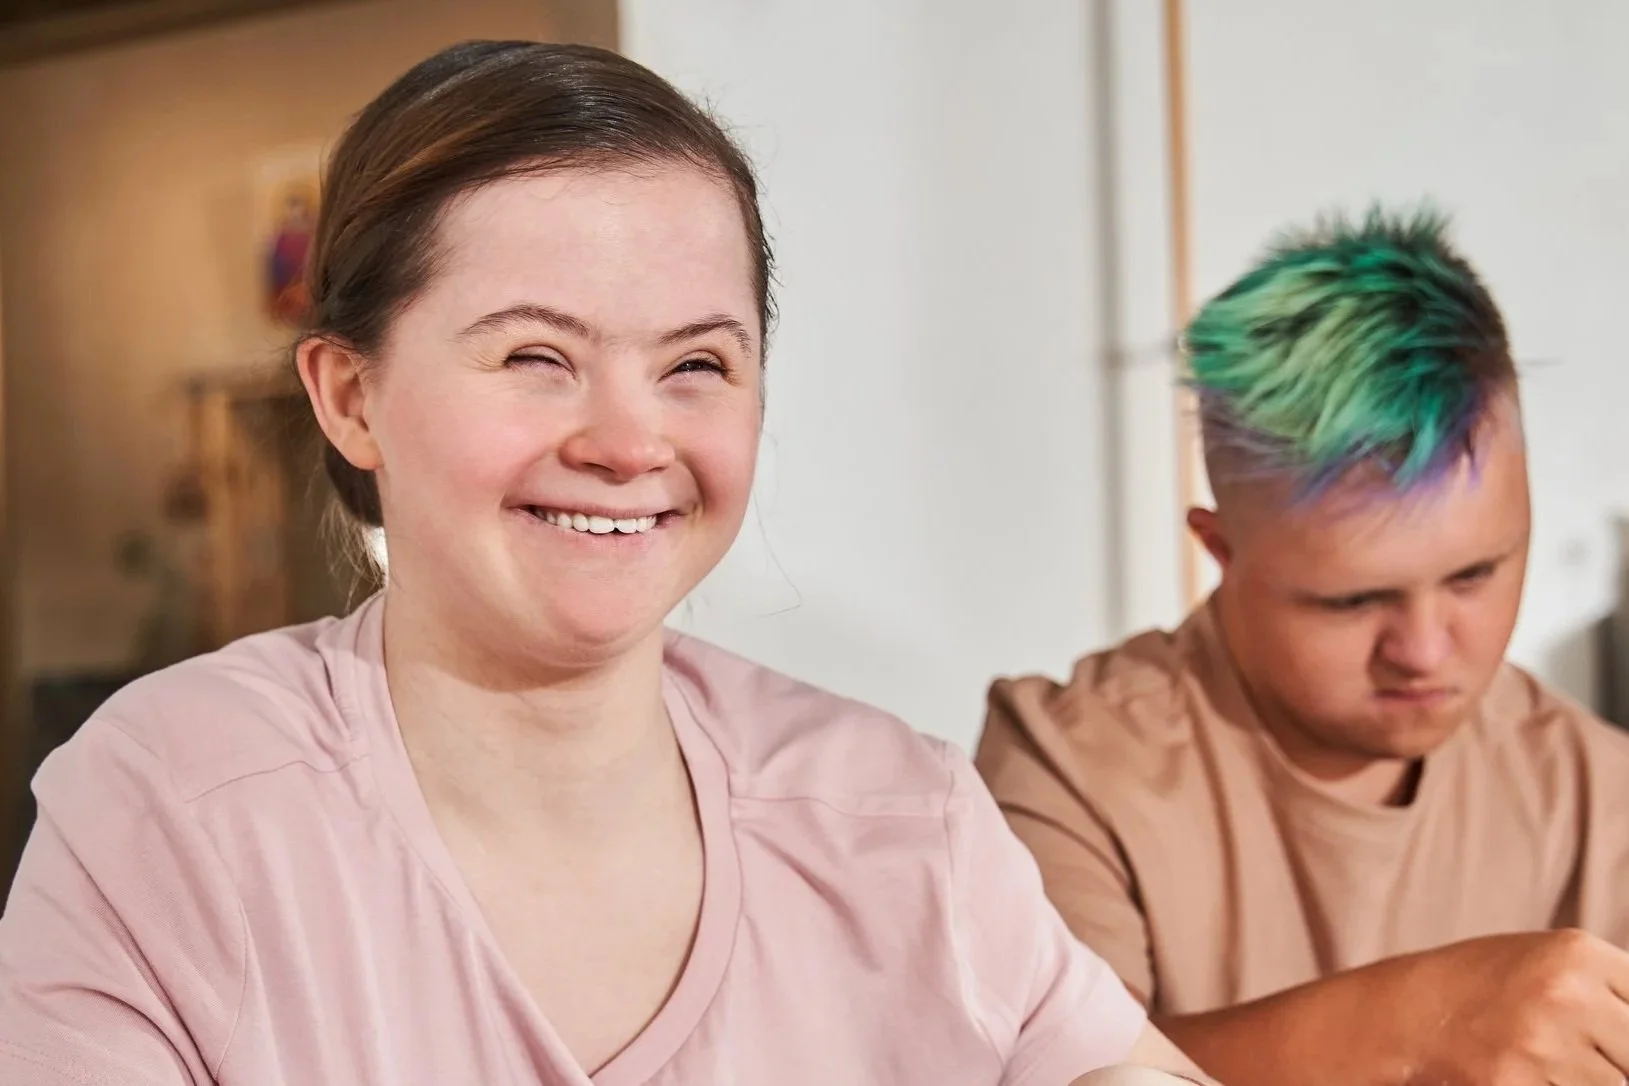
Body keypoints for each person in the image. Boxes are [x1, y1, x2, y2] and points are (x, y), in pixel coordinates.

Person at [0, 41, 1206, 1086]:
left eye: (697, 365)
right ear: (351, 396)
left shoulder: (898, 816)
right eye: (535, 356)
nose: (631, 445)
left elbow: (1117, 1064)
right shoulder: (175, 804)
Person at [976, 206, 1629, 1086]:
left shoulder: (1596, 793)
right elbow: (1046, 1072)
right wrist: (1424, 1018)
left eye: (1476, 574)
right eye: (1353, 600)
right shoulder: (1067, 766)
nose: (1426, 652)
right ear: (1220, 549)